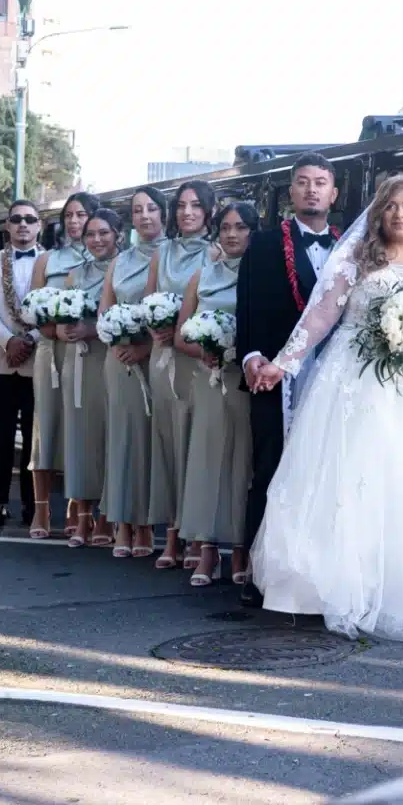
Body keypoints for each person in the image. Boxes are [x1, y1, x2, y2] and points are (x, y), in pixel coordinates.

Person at [250, 173, 403, 643]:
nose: (400, 215)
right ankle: (332, 587)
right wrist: (285, 362)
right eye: (391, 207)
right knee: (347, 479)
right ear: (378, 212)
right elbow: (322, 314)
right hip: (353, 382)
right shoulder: (358, 256)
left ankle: (401, 589)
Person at [234, 153, 340, 608]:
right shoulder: (261, 245)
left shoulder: (350, 247)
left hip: (335, 380)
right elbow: (247, 308)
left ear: (334, 194)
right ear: (290, 193)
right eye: (302, 182)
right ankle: (258, 573)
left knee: (324, 475)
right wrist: (253, 357)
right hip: (273, 379)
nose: (312, 190)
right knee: (270, 472)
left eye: (320, 182)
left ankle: (320, 576)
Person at [176, 201, 257, 587]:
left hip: (247, 380)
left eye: (241, 227)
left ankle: (240, 548)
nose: (232, 234)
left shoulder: (264, 271)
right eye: (225, 227)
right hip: (209, 378)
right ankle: (207, 551)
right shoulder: (201, 274)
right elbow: (180, 335)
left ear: (253, 232)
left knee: (244, 463)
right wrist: (206, 350)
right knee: (206, 460)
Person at [143, 180, 217, 570]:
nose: (188, 213)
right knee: (169, 446)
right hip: (163, 358)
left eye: (196, 206)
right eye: (182, 206)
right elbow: (149, 300)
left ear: (208, 211)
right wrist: (155, 327)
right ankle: (171, 534)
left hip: (199, 359)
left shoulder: (216, 252)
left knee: (197, 448)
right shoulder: (162, 252)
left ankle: (197, 536)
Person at [99, 186, 164, 559]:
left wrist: (145, 347)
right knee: (123, 440)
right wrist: (116, 338)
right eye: (138, 210)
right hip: (120, 360)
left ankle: (150, 524)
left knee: (153, 443)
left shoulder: (171, 256)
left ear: (163, 214)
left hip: (155, 356)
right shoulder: (119, 261)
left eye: (152, 208)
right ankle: (124, 523)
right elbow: (106, 310)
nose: (145, 216)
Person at [28, 192, 96, 539]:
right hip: (50, 353)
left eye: (81, 214)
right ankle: (41, 512)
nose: (73, 221)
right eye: (68, 215)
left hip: (86, 353)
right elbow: (32, 309)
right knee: (47, 430)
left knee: (79, 431)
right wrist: (52, 328)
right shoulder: (47, 260)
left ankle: (76, 505)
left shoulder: (104, 259)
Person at [0, 199, 43, 530]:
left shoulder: (51, 261)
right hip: (0, 361)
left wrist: (31, 341)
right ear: (7, 226)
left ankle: (34, 505)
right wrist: (9, 342)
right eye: (16, 219)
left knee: (34, 438)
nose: (23, 225)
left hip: (38, 360)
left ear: (39, 225)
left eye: (30, 219)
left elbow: (58, 308)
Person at [57, 208, 117, 548]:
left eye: (104, 233)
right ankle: (81, 517)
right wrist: (65, 329)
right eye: (91, 234)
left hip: (107, 358)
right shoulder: (74, 274)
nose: (97, 240)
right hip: (76, 361)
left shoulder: (124, 269)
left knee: (107, 438)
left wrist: (92, 329)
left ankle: (107, 516)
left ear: (117, 235)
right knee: (79, 439)